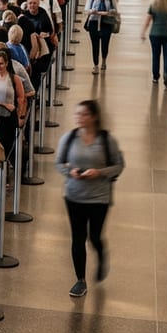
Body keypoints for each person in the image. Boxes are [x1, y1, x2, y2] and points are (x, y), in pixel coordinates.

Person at [55, 100, 125, 298]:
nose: (79, 117)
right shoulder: (69, 138)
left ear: (93, 117)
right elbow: (59, 163)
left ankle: (102, 255)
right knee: (78, 237)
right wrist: (71, 172)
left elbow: (118, 166)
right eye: (77, 114)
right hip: (74, 195)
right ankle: (80, 280)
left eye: (84, 114)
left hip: (98, 198)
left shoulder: (106, 140)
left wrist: (100, 172)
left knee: (94, 236)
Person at [84, 0, 119, 74]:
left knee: (105, 44)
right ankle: (95, 65)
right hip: (94, 23)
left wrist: (111, 12)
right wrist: (92, 11)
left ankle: (104, 60)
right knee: (95, 45)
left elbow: (115, 10)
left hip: (106, 23)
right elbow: (86, 11)